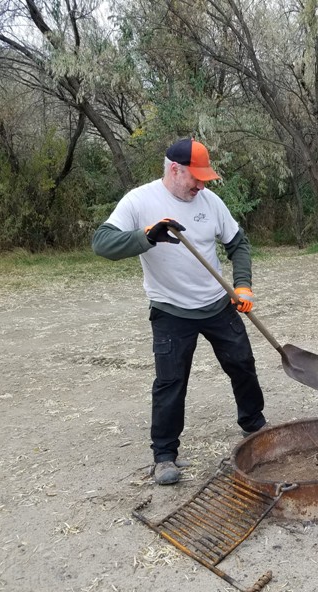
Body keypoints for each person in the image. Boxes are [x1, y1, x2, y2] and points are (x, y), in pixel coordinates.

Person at [92, 138, 267, 486]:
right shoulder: (140, 201)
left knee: (242, 363)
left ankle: (254, 427)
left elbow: (238, 243)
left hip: (217, 303)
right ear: (174, 169)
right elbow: (102, 243)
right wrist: (146, 236)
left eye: (204, 179)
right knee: (171, 382)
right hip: (171, 310)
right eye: (195, 178)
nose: (200, 185)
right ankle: (164, 456)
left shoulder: (210, 202)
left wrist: (242, 285)